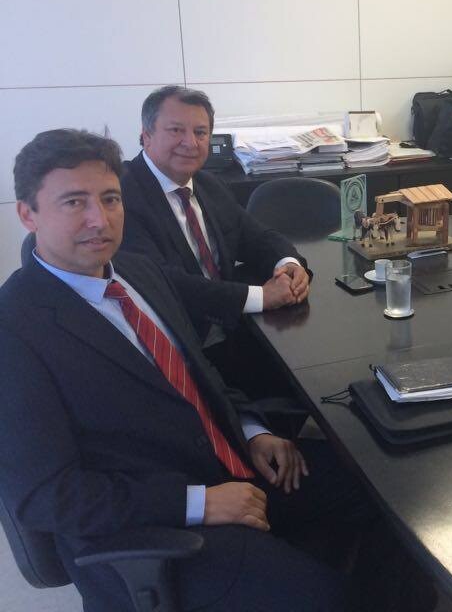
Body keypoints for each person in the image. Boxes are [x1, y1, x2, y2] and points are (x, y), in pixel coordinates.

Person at [0, 129, 380, 611]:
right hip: (156, 526)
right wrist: (198, 502)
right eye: (74, 202)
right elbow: (48, 497)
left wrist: (252, 430)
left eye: (110, 198)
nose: (100, 219)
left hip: (232, 463)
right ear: (28, 214)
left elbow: (198, 375)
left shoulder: (137, 272)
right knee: (327, 598)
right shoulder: (15, 329)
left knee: (381, 497)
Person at [120, 86, 310, 343]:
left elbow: (256, 236)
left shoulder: (209, 184)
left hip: (232, 330)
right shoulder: (121, 196)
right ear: (147, 136)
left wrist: (288, 264)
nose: (191, 143)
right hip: (178, 341)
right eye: (176, 130)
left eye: (200, 132)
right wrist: (262, 296)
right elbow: (161, 282)